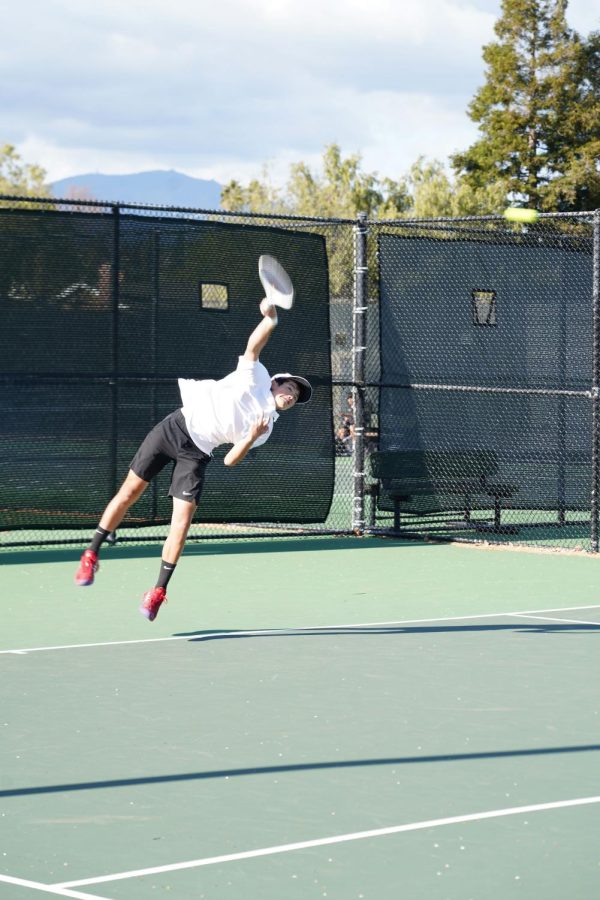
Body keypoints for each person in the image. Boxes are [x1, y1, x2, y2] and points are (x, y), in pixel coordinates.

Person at [74, 294, 312, 621]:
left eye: (296, 397)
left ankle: (157, 591)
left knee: (181, 525)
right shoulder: (256, 376)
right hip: (174, 427)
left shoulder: (267, 428)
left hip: (198, 454)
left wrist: (252, 438)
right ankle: (91, 553)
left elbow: (230, 460)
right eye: (290, 389)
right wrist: (270, 320)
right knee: (129, 492)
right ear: (276, 382)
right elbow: (254, 345)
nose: (291, 396)